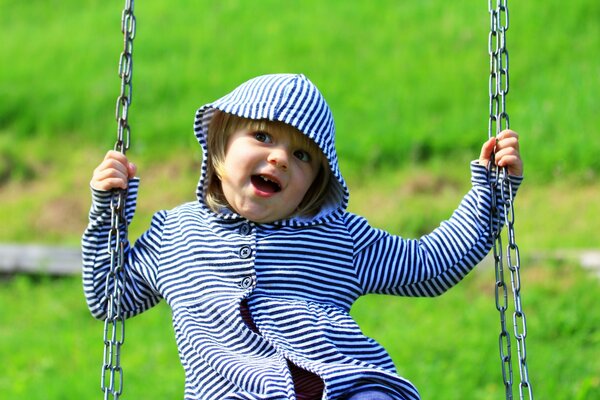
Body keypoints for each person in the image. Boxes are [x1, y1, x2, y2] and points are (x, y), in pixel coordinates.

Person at [83, 73, 523, 400]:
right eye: (262, 136)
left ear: (315, 182)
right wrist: (109, 210)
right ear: (219, 146)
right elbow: (109, 297)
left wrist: (491, 191)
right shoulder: (174, 236)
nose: (278, 159)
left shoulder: (339, 237)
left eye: (301, 155)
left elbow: (432, 265)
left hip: (349, 386)